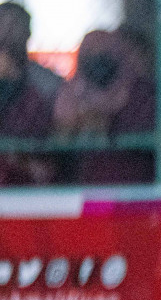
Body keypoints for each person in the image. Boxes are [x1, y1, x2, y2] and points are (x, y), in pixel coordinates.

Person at [52, 29, 155, 185]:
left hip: (133, 183)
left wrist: (110, 124)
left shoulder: (139, 89)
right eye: (90, 52)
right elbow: (58, 141)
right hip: (82, 183)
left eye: (104, 51)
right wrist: (75, 125)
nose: (98, 58)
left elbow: (145, 133)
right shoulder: (70, 93)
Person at [0, 44, 55, 186]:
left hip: (23, 184)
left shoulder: (33, 101)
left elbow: (39, 156)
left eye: (7, 71)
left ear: (17, 72)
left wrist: (20, 161)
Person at [0, 1, 63, 102]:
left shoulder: (45, 80)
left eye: (14, 25)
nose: (7, 32)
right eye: (2, 25)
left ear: (27, 31)